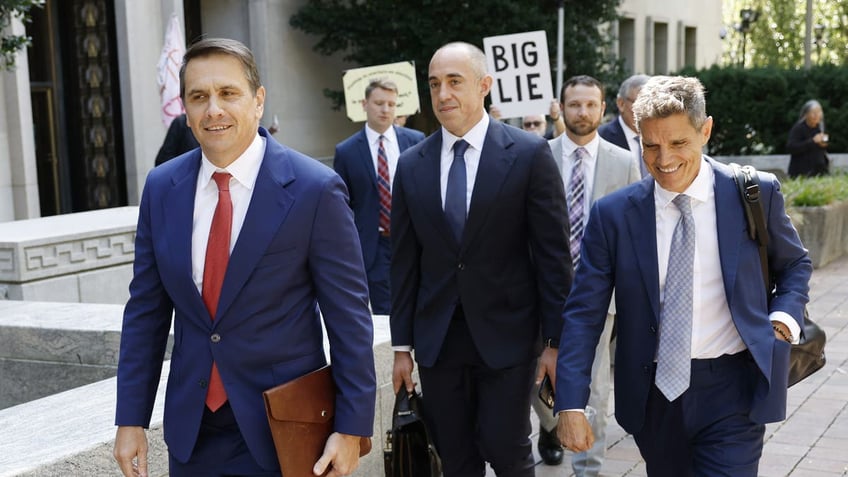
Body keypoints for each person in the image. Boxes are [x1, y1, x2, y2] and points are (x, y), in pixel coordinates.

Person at [113, 38, 377, 477]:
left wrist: (351, 430)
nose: (213, 109)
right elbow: (145, 313)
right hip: (191, 433)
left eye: (228, 93)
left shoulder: (315, 190)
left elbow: (349, 319)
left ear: (258, 101)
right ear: (186, 109)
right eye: (199, 97)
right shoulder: (162, 188)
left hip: (286, 432)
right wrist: (130, 418)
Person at [555, 75, 812, 476]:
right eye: (651, 145)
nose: (664, 159)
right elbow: (584, 312)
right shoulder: (614, 215)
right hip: (652, 395)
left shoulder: (754, 194)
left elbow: (795, 264)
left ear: (705, 130)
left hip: (734, 388)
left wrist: (782, 319)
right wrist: (571, 402)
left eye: (678, 144)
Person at [391, 42, 571, 477]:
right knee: (454, 456)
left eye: (455, 81)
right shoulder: (412, 164)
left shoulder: (529, 155)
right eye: (435, 84)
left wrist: (556, 344)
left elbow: (553, 257)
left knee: (506, 448)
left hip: (508, 336)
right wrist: (401, 348)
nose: (443, 94)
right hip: (438, 340)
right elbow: (403, 261)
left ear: (485, 85)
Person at [531, 75, 639, 474]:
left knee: (595, 386)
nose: (583, 112)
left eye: (591, 104)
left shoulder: (625, 162)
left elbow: (634, 229)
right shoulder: (537, 155)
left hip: (597, 293)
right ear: (562, 107)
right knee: (533, 376)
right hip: (542, 292)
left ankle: (588, 469)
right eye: (574, 104)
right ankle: (551, 425)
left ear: (603, 108)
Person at [333, 79, 425, 314]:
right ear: (365, 104)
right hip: (373, 245)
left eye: (391, 104)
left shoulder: (415, 141)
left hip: (411, 238)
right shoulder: (347, 151)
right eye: (379, 103)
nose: (386, 109)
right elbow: (342, 205)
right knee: (385, 313)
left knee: (418, 303)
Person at [598, 74, 650, 178]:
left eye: (652, 103)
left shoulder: (663, 138)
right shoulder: (601, 138)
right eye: (641, 103)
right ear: (621, 103)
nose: (647, 110)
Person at [786, 99, 830, 177]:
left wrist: (824, 143)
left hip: (820, 171)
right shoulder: (798, 128)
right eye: (813, 113)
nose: (817, 115)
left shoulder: (820, 128)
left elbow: (824, 146)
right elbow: (791, 147)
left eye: (819, 112)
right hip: (802, 173)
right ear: (806, 114)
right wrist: (812, 141)